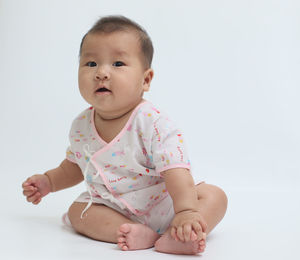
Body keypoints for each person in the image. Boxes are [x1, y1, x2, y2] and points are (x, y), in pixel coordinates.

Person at [22, 15, 228, 255]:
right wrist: (50, 181)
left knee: (214, 196)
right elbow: (76, 166)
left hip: (165, 201)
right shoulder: (81, 126)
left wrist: (185, 211)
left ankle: (181, 231)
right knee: (79, 212)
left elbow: (176, 171)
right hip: (115, 206)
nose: (101, 73)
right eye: (91, 64)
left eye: (118, 64)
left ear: (146, 79)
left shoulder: (153, 122)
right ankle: (135, 232)